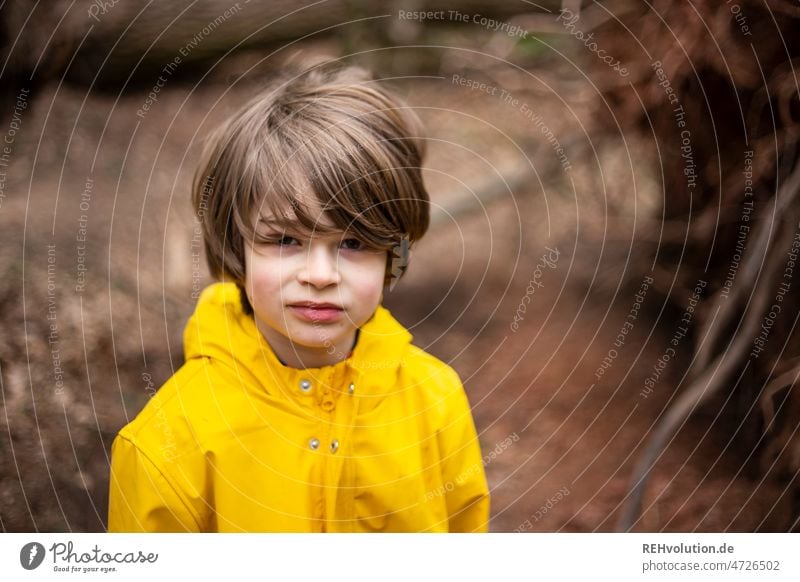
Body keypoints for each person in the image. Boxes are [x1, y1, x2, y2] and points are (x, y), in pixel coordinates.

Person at [107, 62, 489, 532]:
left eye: (353, 243)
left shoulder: (435, 400)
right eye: (285, 240)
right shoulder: (171, 438)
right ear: (235, 246)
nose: (321, 275)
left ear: (394, 254)